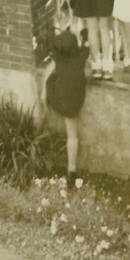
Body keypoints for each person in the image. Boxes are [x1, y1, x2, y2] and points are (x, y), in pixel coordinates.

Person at [40, 25, 90, 185]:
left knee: (52, 80)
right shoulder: (81, 56)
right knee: (72, 135)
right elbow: (86, 48)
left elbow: (49, 70)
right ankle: (72, 170)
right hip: (75, 101)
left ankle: (43, 115)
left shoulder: (58, 58)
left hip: (59, 99)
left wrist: (43, 92)